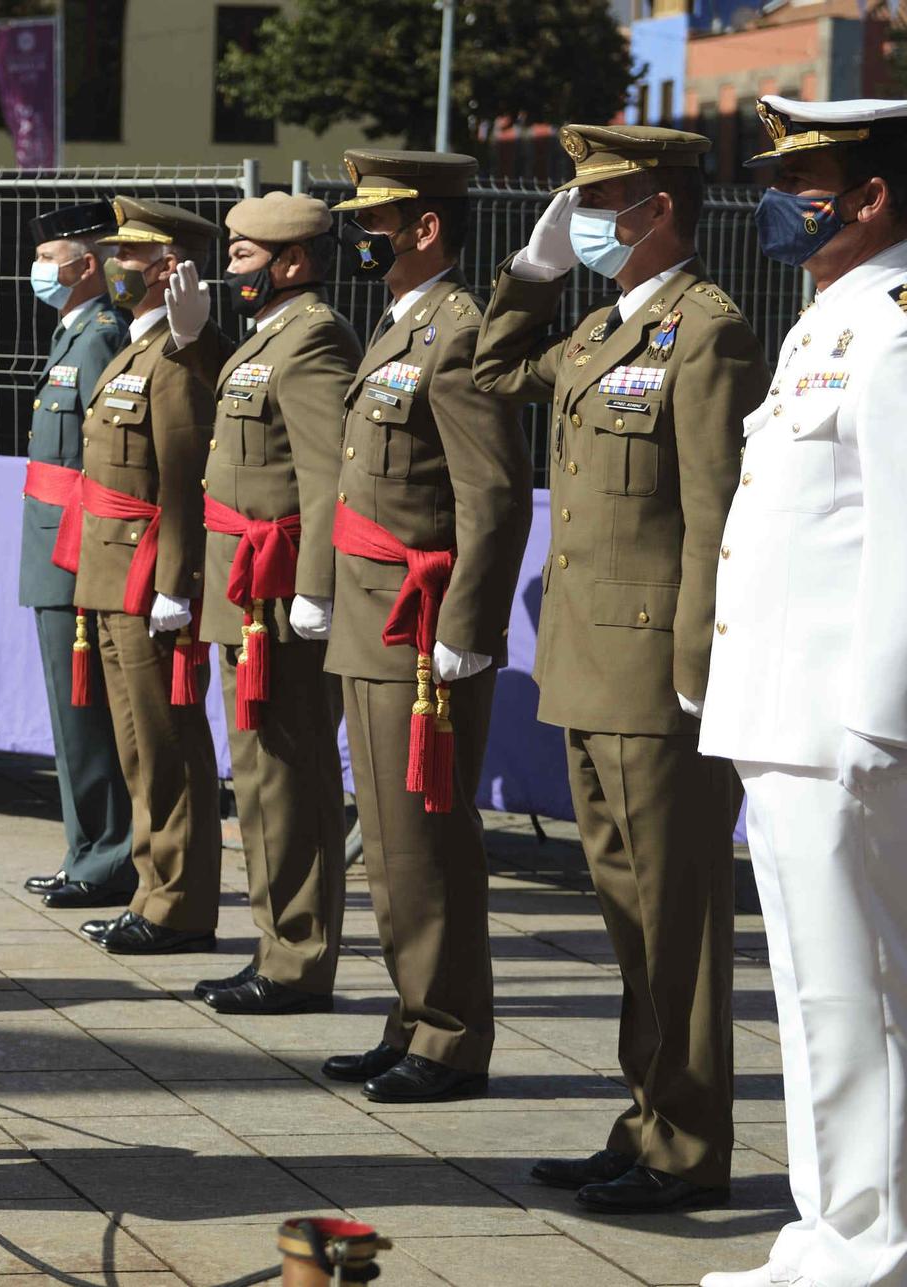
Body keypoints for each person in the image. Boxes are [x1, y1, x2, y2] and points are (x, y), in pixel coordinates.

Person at [474, 124, 762, 1216]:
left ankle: (686, 1149)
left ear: (662, 210)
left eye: (604, 203)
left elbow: (712, 515)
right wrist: (533, 272)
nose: (588, 219)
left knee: (674, 917)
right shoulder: (601, 325)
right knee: (624, 916)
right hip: (586, 668)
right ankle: (644, 1121)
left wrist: (697, 668)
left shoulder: (706, 334)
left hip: (653, 674)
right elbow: (491, 369)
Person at [698, 96, 907, 1287]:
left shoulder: (887, 325)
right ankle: (828, 1228)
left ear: (869, 197)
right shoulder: (826, 318)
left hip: (841, 720)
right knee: (812, 991)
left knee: (860, 991)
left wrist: (880, 714)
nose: (780, 197)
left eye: (806, 177)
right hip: (779, 712)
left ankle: (871, 1242)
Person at [321, 150, 532, 1103]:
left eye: (374, 223)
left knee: (426, 842)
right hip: (373, 620)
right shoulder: (400, 325)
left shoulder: (457, 331)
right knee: (393, 838)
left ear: (426, 229)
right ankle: (410, 1014)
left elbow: (492, 495)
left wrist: (467, 624)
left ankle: (450, 1036)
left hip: (418, 631)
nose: (359, 238)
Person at [164, 193, 359, 1015]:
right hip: (248, 589)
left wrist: (316, 586)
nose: (229, 267)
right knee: (257, 777)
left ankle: (298, 957)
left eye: (243, 256)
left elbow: (324, 478)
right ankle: (276, 946)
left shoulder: (312, 337)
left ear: (292, 262)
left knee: (288, 778)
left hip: (280, 598)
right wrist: (197, 341)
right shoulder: (267, 338)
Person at [55, 196, 222, 957]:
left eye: (131, 255)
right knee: (135, 747)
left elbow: (184, 477)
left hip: (150, 576)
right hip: (113, 573)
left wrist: (176, 581)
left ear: (169, 269)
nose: (117, 265)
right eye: (117, 253)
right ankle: (153, 890)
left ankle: (179, 904)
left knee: (166, 745)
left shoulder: (175, 358)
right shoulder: (135, 347)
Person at [16, 200, 138, 911]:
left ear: (85, 264)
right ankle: (85, 849)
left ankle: (107, 856)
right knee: (70, 716)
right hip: (52, 547)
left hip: (73, 553)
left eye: (49, 256)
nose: (39, 270)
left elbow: (108, 459)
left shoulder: (97, 338)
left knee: (86, 714)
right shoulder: (74, 333)